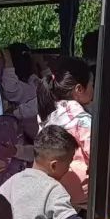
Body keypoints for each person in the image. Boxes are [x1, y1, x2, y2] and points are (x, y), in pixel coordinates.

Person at [36, 56, 93, 206]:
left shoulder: (48, 113)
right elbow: (97, 155)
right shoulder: (82, 120)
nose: (93, 89)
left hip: (50, 188)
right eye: (92, 84)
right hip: (79, 190)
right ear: (79, 89)